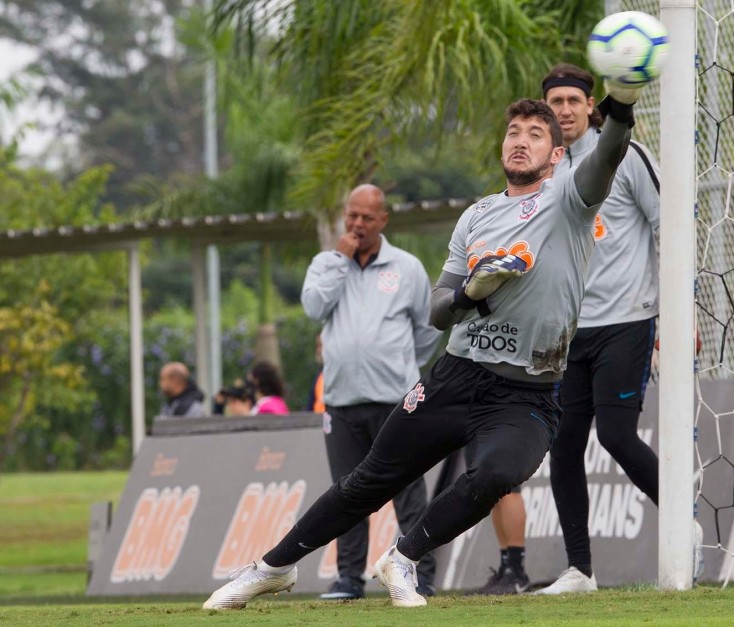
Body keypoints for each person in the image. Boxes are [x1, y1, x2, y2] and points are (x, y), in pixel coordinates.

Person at [203, 84, 641, 610]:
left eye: (535, 134)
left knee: (499, 474)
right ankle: (270, 568)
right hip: (456, 375)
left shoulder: (571, 197)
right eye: (513, 132)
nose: (520, 141)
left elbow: (610, 152)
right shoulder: (476, 216)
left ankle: (403, 558)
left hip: (526, 392)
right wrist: (470, 293)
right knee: (367, 481)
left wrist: (625, 101)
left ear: (557, 153)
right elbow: (437, 310)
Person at [530, 63, 700, 595]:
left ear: (590, 106)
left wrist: (678, 313)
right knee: (562, 446)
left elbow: (668, 223)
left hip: (627, 319)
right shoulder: (546, 168)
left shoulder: (625, 154)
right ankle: (580, 571)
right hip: (567, 331)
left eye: (572, 101)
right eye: (554, 102)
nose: (563, 110)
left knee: (617, 434)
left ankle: (681, 522)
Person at [309, 183, 443, 601]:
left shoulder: (406, 267)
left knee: (408, 491)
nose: (358, 225)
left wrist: (395, 367)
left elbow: (426, 332)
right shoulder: (326, 264)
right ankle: (349, 578)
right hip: (342, 401)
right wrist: (339, 261)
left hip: (395, 400)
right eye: (352, 216)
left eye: (367, 217)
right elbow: (314, 308)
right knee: (346, 493)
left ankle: (419, 574)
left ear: (383, 220)